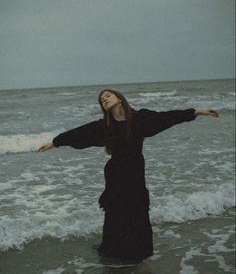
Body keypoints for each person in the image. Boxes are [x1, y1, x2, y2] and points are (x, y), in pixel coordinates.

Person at [38, 89, 219, 262]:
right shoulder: (105, 126)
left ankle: (141, 253)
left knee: (138, 209)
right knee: (114, 210)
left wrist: (196, 112)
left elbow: (166, 117)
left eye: (108, 96)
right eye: (102, 100)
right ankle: (113, 250)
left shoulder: (140, 119)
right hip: (115, 172)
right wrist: (55, 142)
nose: (105, 99)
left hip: (134, 170)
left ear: (118, 98)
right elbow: (79, 133)